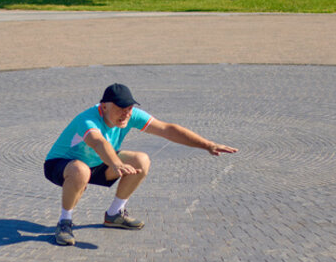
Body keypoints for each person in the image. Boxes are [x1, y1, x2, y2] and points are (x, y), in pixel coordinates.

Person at [43, 83, 238, 246]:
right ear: (104, 107)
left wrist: (208, 145)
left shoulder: (130, 115)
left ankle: (115, 214)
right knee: (80, 170)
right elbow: (98, 142)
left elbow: (168, 130)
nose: (126, 114)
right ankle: (64, 221)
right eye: (120, 109)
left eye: (129, 109)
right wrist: (117, 163)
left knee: (141, 160)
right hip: (61, 165)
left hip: (100, 163)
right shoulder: (88, 120)